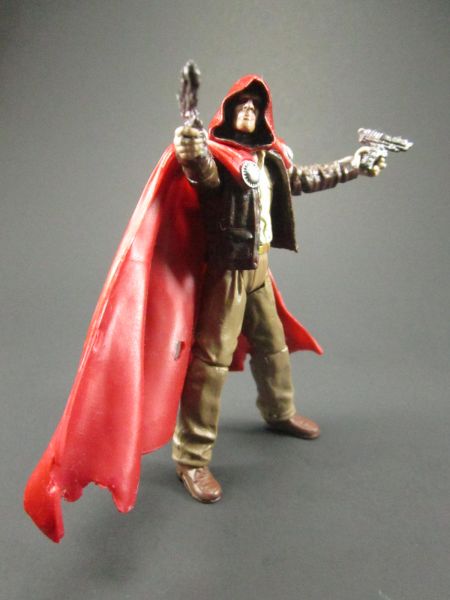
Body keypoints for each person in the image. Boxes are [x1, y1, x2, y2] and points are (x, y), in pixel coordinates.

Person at [171, 75, 385, 503]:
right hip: (229, 273)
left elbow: (306, 178)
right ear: (228, 113)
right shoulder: (219, 158)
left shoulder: (270, 159)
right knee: (211, 362)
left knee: (273, 345)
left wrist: (355, 165)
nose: (249, 111)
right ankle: (191, 458)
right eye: (242, 106)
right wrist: (191, 151)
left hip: (260, 268)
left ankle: (279, 410)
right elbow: (202, 173)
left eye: (255, 106)